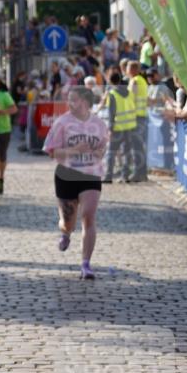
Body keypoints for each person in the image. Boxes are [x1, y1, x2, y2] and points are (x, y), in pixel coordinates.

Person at [43, 86, 109, 280]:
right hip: (66, 174)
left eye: (74, 99)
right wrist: (76, 150)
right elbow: (52, 153)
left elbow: (102, 148)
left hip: (91, 174)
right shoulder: (62, 123)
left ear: (86, 102)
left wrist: (99, 153)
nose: (70, 103)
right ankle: (65, 233)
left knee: (88, 216)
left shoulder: (98, 124)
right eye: (69, 99)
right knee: (68, 223)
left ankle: (86, 264)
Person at [103, 70, 136, 183]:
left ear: (110, 81)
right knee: (127, 153)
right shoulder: (130, 93)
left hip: (117, 128)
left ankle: (108, 176)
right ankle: (125, 176)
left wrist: (110, 129)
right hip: (130, 127)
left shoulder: (112, 94)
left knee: (111, 152)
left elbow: (111, 113)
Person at [127, 61, 149, 181]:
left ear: (133, 69)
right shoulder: (143, 81)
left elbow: (131, 99)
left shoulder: (134, 81)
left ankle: (137, 173)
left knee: (136, 147)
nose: (126, 70)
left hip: (135, 117)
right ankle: (143, 173)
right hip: (142, 116)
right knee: (139, 146)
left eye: (128, 68)